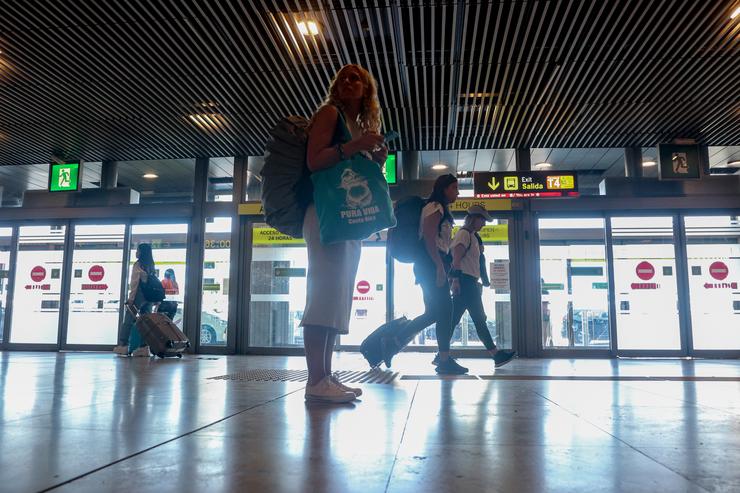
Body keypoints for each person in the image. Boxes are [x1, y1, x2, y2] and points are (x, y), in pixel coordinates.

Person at [302, 64, 387, 403]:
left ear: (367, 90)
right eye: (344, 78)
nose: (349, 82)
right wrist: (356, 147)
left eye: (358, 78)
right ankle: (315, 380)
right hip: (326, 215)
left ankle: (324, 377)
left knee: (336, 298)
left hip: (345, 219)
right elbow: (314, 160)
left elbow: (350, 173)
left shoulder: (356, 126)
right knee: (323, 295)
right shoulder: (329, 113)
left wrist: (375, 160)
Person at [385, 174, 465, 374]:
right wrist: (438, 266)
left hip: (429, 263)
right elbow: (428, 238)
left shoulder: (438, 209)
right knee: (446, 310)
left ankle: (393, 342)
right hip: (430, 263)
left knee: (433, 313)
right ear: (444, 189)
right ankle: (444, 359)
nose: (457, 192)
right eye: (454, 187)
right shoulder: (435, 207)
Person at [449, 206, 516, 368]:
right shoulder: (464, 234)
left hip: (469, 282)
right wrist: (456, 281)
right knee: (477, 319)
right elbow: (456, 257)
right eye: (483, 220)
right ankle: (496, 355)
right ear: (474, 218)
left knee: (455, 319)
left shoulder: (471, 236)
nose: (484, 224)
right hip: (465, 282)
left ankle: (441, 353)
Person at [113, 243, 155, 357]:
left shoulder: (138, 264)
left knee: (128, 320)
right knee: (145, 323)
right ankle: (143, 347)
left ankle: (123, 345)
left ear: (142, 252)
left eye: (138, 250)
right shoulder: (151, 265)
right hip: (149, 297)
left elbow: (135, 283)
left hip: (139, 295)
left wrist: (131, 299)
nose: (136, 252)